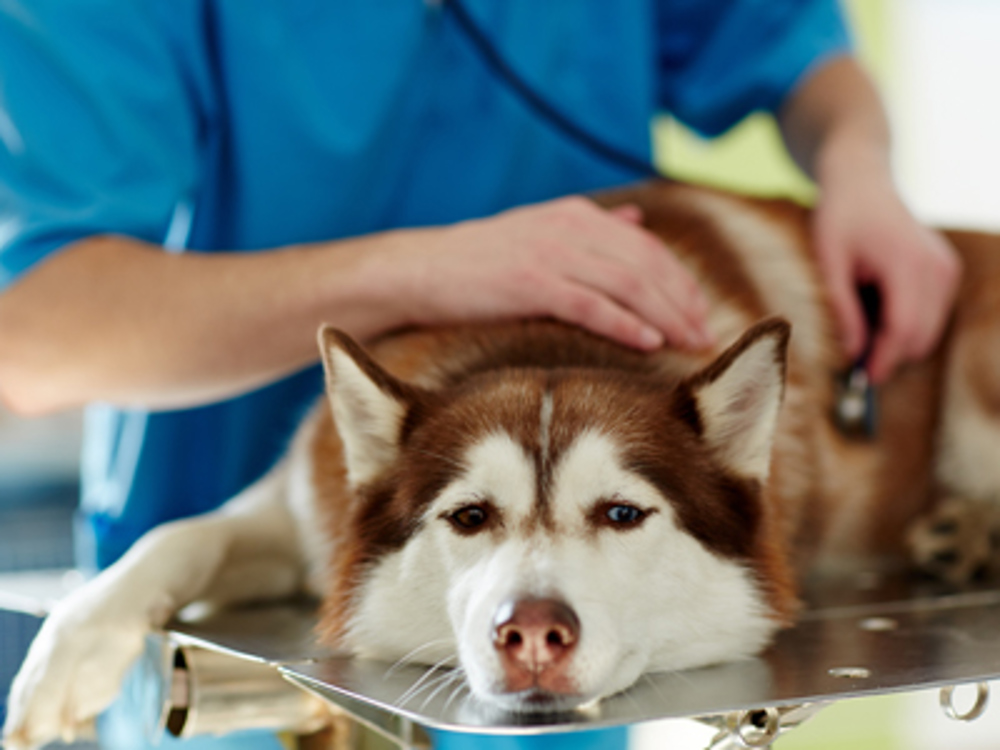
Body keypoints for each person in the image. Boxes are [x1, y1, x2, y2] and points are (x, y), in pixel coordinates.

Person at [0, 1, 960, 749]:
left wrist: (859, 167)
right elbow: (33, 334)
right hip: (241, 638)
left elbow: (785, 44)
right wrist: (419, 270)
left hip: (567, 686)